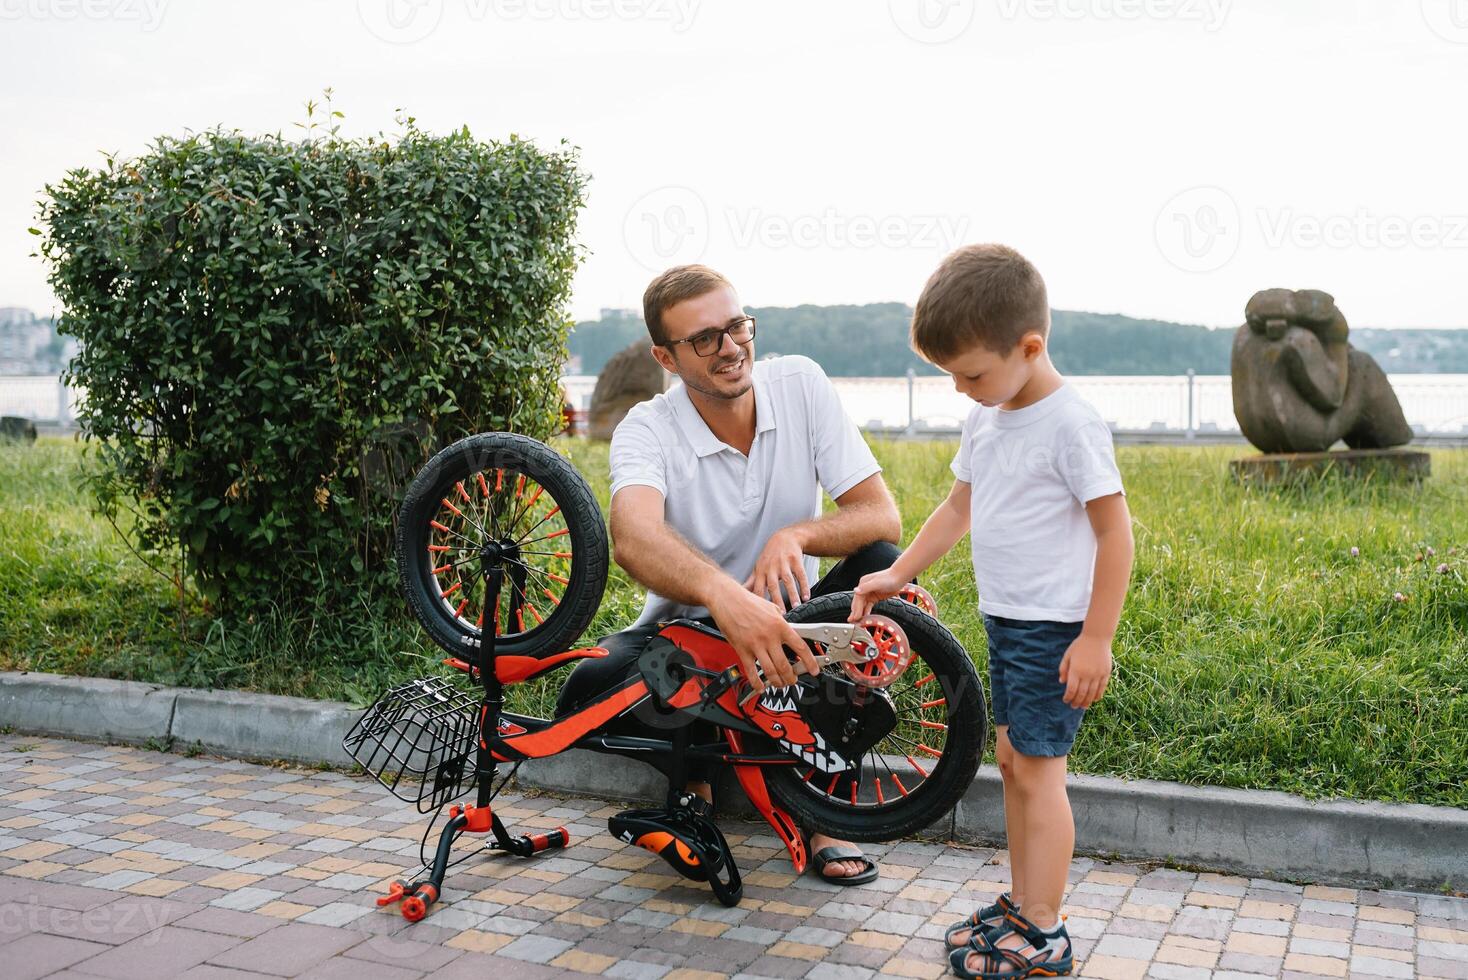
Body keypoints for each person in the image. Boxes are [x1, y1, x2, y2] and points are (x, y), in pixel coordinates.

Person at [556, 263, 903, 884]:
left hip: (799, 637)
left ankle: (826, 804)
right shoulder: (647, 428)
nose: (731, 347)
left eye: (736, 326)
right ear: (667, 356)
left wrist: (795, 534)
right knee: (587, 687)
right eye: (704, 339)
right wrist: (722, 595)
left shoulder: (800, 383)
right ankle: (698, 785)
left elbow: (881, 517)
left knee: (879, 570)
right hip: (693, 646)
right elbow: (634, 536)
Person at [849, 244, 1134, 977]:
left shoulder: (1071, 424)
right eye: (951, 375)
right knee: (1013, 761)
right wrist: (897, 571)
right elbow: (959, 506)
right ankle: (1023, 901)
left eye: (971, 373)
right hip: (1009, 620)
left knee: (1040, 772)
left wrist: (1096, 638)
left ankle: (1045, 929)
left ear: (1029, 347)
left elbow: (1116, 533)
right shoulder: (989, 416)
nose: (961, 389)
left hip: (1055, 628)